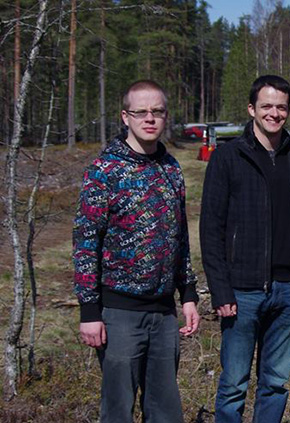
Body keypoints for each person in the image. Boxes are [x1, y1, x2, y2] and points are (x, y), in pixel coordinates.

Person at [73, 79, 200, 422]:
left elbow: (180, 238)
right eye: (141, 112)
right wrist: (90, 311)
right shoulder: (105, 171)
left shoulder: (171, 169)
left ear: (165, 116)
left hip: (163, 313)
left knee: (165, 409)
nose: (149, 119)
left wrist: (188, 293)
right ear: (125, 116)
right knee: (118, 409)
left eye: (157, 111)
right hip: (118, 313)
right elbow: (86, 243)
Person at [200, 75, 290, 423]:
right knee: (234, 382)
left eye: (281, 107)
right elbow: (210, 229)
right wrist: (220, 289)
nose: (274, 113)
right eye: (266, 106)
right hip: (242, 290)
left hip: (289, 292)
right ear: (252, 109)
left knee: (276, 383)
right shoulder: (228, 157)